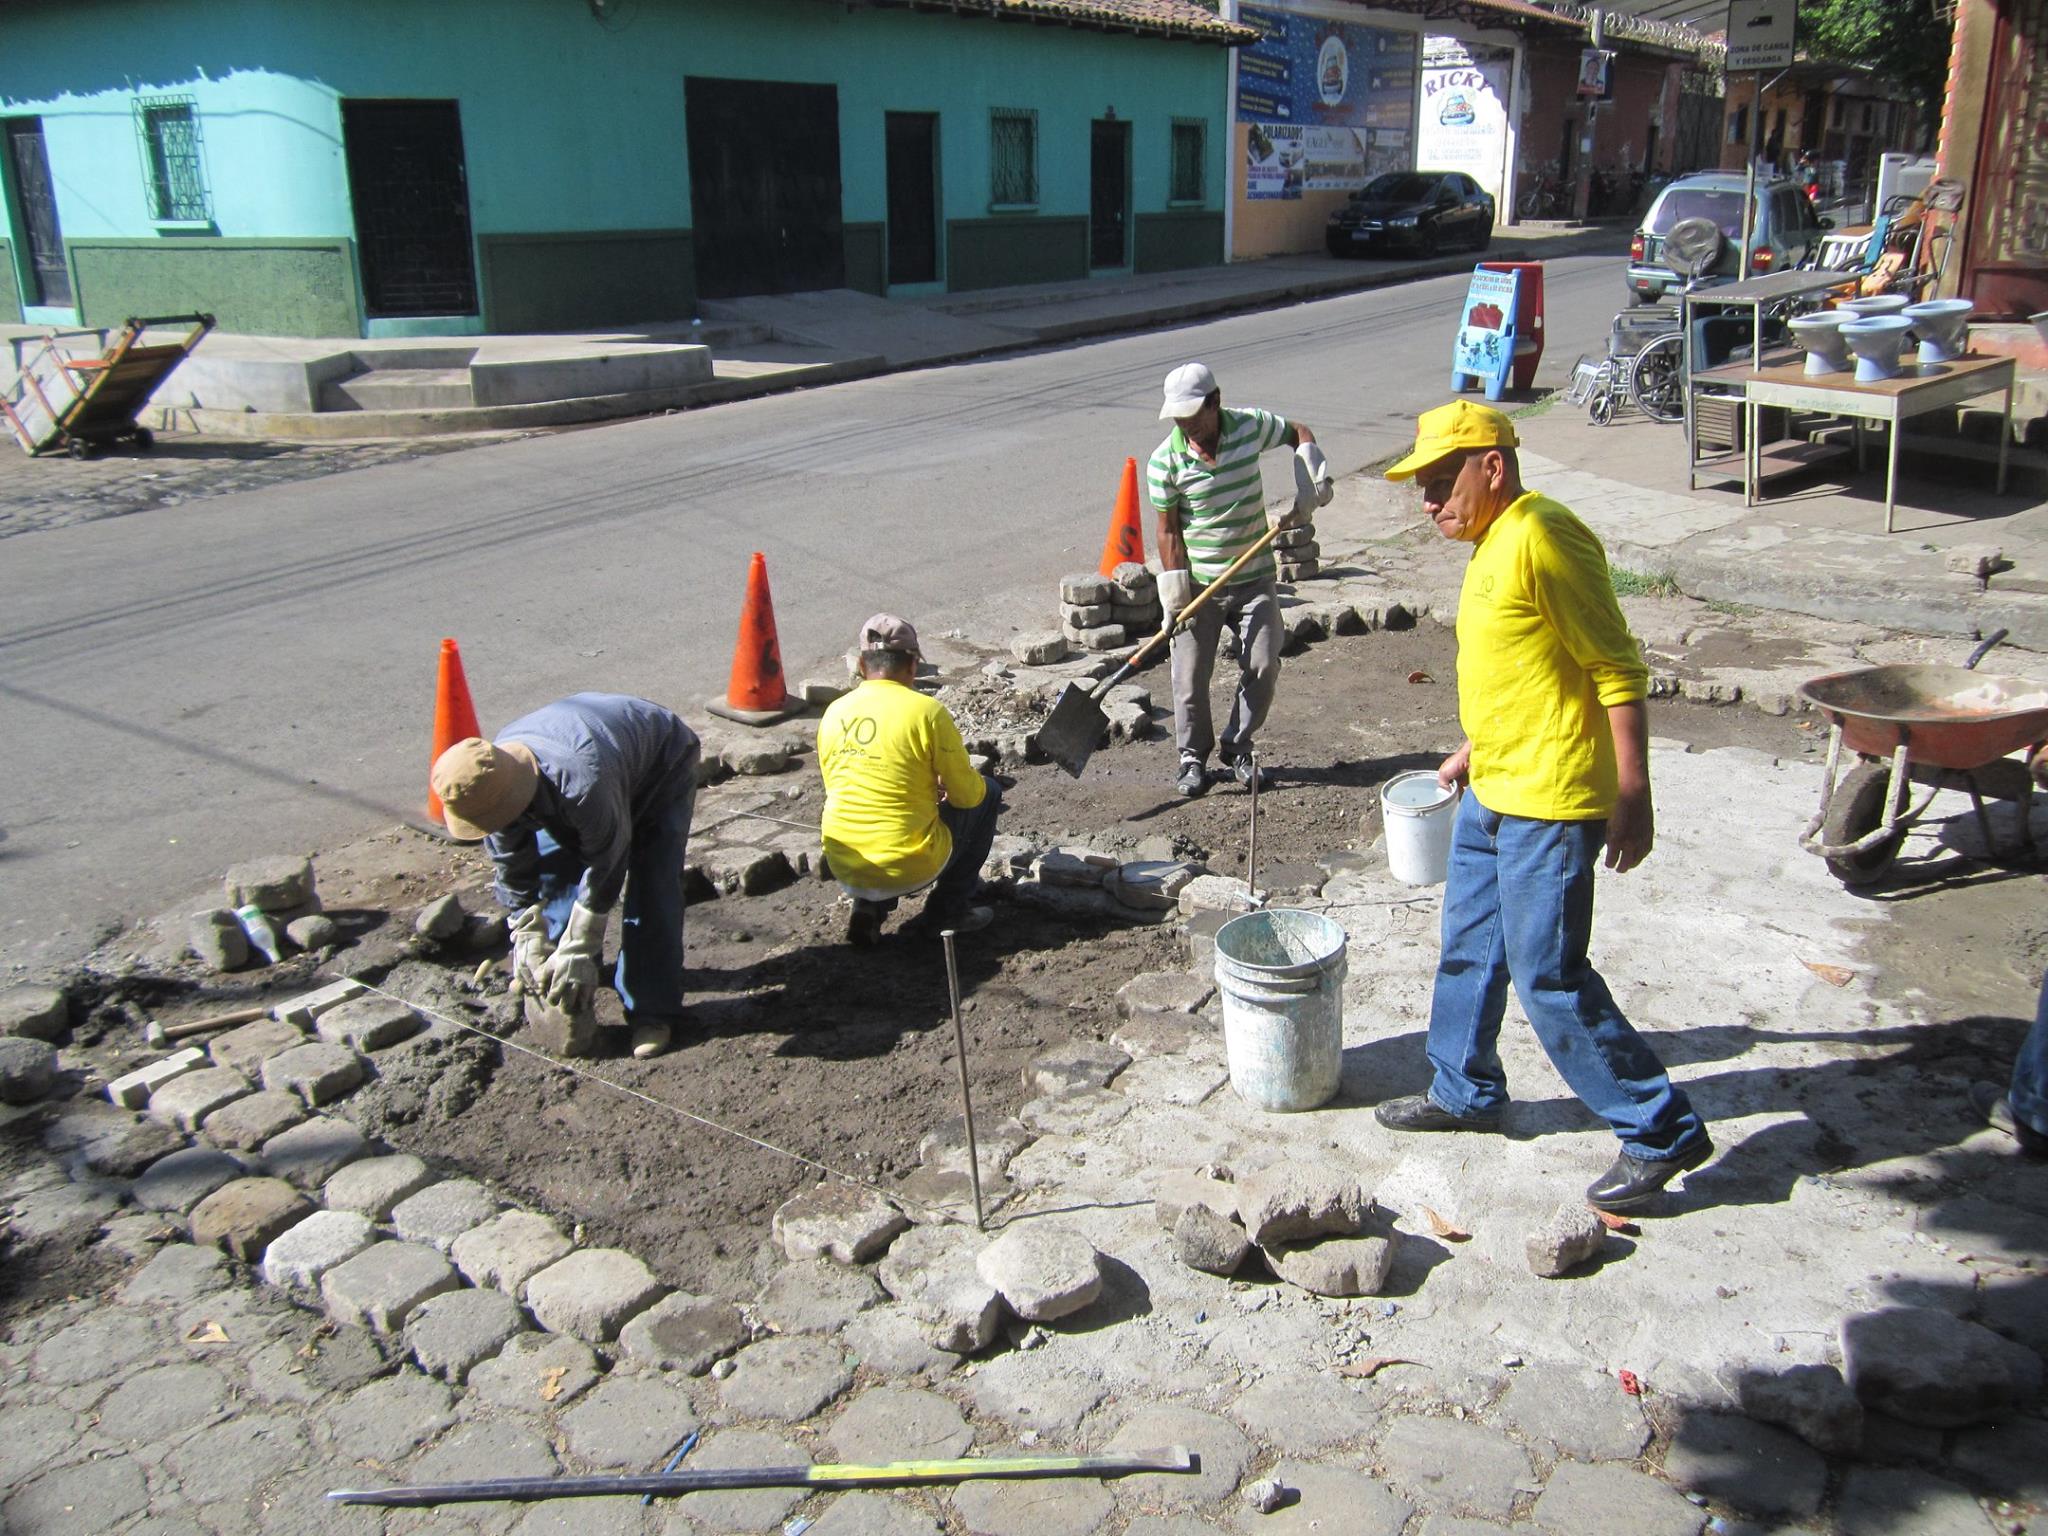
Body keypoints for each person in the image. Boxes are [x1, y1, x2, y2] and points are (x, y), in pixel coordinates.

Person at [1372, 401, 1712, 1213]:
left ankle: (1659, 1128)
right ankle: (1465, 1089)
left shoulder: (1544, 534)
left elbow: (1614, 667)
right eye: (1420, 485)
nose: (1426, 501)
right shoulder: (1493, 541)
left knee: (1546, 974)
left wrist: (1634, 791)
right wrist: (1473, 749)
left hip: (1552, 805)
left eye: (1438, 479)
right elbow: (1528, 674)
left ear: (1492, 464)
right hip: (1496, 788)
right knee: (1467, 948)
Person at [430, 694, 700, 1060]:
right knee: (555, 872)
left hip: (660, 759)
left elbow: (608, 867)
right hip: (594, 753)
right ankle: (557, 977)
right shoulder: (488, 786)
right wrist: (525, 930)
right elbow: (511, 862)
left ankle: (652, 1008)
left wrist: (582, 944)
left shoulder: (581, 784)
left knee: (652, 886)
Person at [1148, 361, 1331, 799]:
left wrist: (1311, 473)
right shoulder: (1164, 462)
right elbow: (1169, 530)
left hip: (1254, 577)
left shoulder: (1249, 426)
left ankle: (1238, 745)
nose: (1187, 426)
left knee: (1265, 663)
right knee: (1189, 675)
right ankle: (1192, 757)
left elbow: (1298, 432)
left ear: (1216, 401)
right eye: (1179, 419)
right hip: (1201, 586)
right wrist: (1176, 595)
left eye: (1194, 415)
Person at [818, 613, 1002, 945]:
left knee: (877, 816)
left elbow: (851, 786)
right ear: (913, 665)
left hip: (844, 861)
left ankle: (868, 904)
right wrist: (943, 788)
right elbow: (967, 797)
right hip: (908, 864)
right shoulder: (926, 712)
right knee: (989, 794)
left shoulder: (834, 712)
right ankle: (949, 911)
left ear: (862, 665)